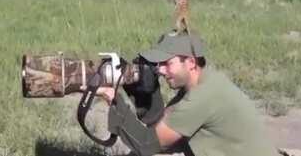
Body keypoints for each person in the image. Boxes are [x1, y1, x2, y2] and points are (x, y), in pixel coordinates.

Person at [97, 30, 278, 156]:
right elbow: (160, 127)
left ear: (191, 62)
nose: (160, 71)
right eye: (158, 65)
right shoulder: (205, 80)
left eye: (167, 64)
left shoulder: (202, 98)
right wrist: (145, 91)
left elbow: (145, 144)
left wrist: (111, 98)